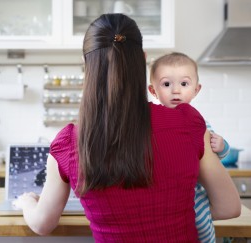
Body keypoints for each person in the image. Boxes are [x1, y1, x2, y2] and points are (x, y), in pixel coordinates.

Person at [14, 14, 241, 242]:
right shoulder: (187, 122)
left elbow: (42, 224)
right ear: (142, 59)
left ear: (87, 65)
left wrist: (27, 202)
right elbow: (229, 206)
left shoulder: (68, 142)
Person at [148, 52, 231, 242]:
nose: (176, 91)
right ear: (153, 91)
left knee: (202, 225)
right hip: (163, 194)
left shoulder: (199, 122)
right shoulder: (151, 123)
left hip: (195, 193)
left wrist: (221, 145)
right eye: (167, 84)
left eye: (184, 84)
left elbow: (219, 155)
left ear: (196, 89)